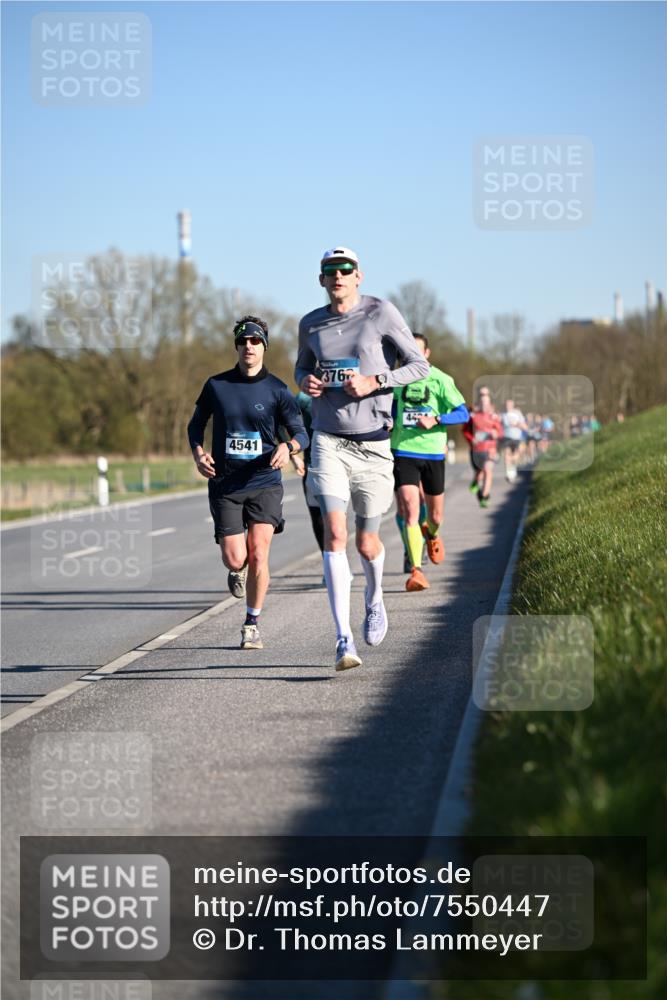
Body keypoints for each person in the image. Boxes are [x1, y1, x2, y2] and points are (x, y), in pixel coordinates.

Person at [295, 247, 429, 671]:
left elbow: (419, 366)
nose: (338, 276)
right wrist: (308, 381)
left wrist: (375, 381)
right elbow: (300, 369)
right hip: (328, 438)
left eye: (345, 270)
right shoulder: (310, 324)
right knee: (335, 532)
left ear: (359, 276)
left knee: (365, 541)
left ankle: (374, 600)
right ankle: (343, 639)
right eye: (330, 271)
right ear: (321, 280)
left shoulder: (381, 313)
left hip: (373, 443)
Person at [188, 316, 308, 650]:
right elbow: (195, 425)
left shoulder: (278, 390)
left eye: (255, 342)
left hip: (264, 481)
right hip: (226, 483)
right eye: (243, 342)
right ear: (237, 347)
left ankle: (251, 623)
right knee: (234, 557)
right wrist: (198, 454)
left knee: (259, 553)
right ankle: (237, 569)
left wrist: (289, 447)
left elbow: (301, 433)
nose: (249, 347)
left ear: (264, 346)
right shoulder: (216, 386)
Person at [390, 333, 468, 591]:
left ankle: (431, 533)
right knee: (410, 509)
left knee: (435, 515)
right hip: (403, 451)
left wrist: (436, 420)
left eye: (417, 351)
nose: (411, 355)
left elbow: (463, 413)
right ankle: (416, 570)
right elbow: (388, 410)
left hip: (433, 453)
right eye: (406, 351)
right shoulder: (396, 380)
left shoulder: (441, 380)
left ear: (426, 354)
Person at [463, 386, 502, 508]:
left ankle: (484, 496)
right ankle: (475, 481)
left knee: (488, 471)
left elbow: (500, 432)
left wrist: (496, 434)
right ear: (479, 401)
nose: (484, 403)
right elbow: (465, 431)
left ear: (490, 402)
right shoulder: (473, 415)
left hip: (490, 449)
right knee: (479, 471)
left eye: (486, 400)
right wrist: (472, 439)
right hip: (476, 449)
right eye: (482, 399)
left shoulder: (494, 416)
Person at [500, 398, 527, 482]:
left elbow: (525, 426)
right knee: (506, 455)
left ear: (512, 405)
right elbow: (498, 425)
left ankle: (513, 468)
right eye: (506, 404)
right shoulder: (503, 414)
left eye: (509, 404)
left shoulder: (517, 413)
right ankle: (509, 474)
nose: (507, 406)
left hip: (517, 438)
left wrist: (517, 424)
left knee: (515, 457)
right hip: (506, 437)